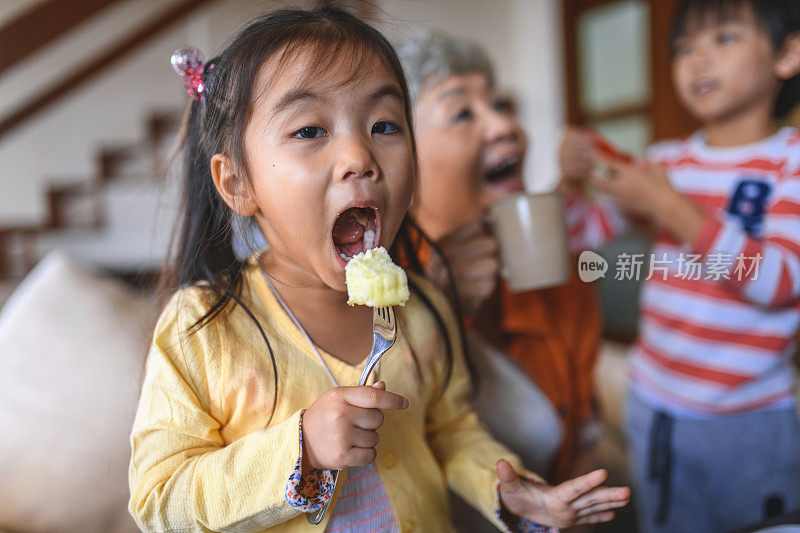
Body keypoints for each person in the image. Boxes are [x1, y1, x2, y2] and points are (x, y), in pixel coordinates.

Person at [127, 8, 630, 533]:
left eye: (385, 125)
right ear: (238, 184)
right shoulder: (200, 328)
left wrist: (503, 487)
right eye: (309, 130)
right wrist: (300, 449)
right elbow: (160, 502)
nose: (359, 156)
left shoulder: (422, 308)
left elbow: (450, 429)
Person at [559, 1, 800, 531]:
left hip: (752, 415)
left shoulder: (791, 162)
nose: (697, 61)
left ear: (787, 53)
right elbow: (582, 234)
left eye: (724, 39)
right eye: (684, 48)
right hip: (656, 403)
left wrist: (670, 208)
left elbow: (779, 282)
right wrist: (574, 184)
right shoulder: (667, 160)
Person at [394, 30, 605, 484]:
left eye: (501, 105)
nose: (506, 126)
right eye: (462, 112)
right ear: (399, 160)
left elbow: (585, 435)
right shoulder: (367, 290)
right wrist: (438, 309)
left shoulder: (560, 274)